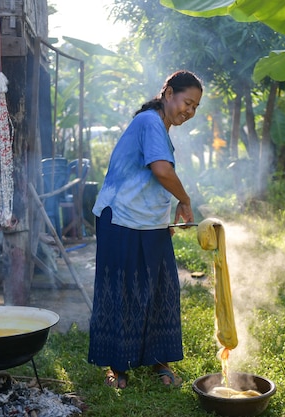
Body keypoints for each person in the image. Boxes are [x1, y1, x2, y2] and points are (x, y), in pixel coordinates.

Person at [87, 70, 203, 389]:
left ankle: (158, 361)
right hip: (121, 218)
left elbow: (152, 180)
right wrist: (185, 199)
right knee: (122, 292)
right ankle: (117, 367)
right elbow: (161, 171)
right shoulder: (150, 121)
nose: (189, 111)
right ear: (168, 93)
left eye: (194, 107)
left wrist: (163, 217)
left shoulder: (160, 127)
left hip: (148, 223)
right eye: (186, 102)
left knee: (159, 290)